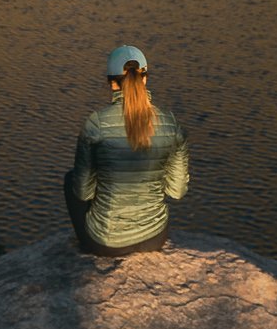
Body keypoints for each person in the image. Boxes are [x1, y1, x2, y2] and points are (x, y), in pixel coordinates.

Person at [64, 43, 190, 257]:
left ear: (112, 84)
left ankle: (87, 245)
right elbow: (177, 192)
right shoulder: (170, 123)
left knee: (70, 179)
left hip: (105, 243)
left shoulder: (96, 124)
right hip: (154, 239)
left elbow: (83, 192)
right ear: (145, 78)